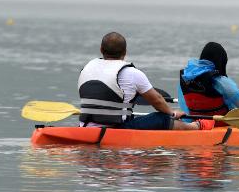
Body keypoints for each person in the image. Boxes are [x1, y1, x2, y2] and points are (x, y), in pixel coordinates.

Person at [78, 32, 209, 131]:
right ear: (125, 52)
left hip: (85, 127)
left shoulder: (86, 69)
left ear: (101, 49)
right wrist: (173, 113)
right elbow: (157, 100)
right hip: (118, 129)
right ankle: (195, 127)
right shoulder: (133, 73)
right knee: (161, 117)